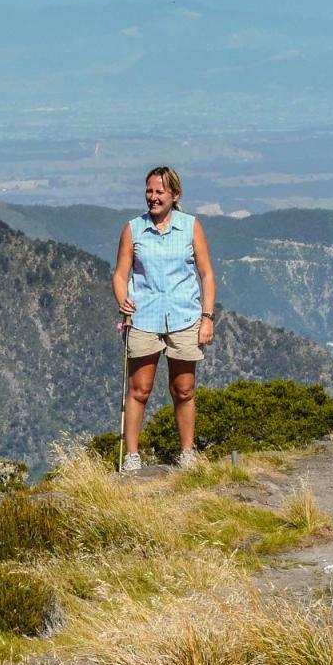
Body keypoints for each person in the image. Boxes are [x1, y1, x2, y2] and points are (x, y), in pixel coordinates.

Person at [112, 166, 216, 473]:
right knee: (139, 389)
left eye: (159, 192)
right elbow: (120, 274)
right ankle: (132, 456)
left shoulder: (190, 227)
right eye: (149, 191)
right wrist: (122, 299)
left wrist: (207, 317)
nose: (153, 198)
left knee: (184, 389)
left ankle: (187, 453)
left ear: (174, 195)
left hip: (184, 316)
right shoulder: (133, 229)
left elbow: (207, 273)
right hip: (144, 318)